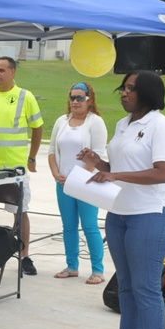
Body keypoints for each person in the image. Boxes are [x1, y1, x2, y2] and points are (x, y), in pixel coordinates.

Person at [81, 70, 165, 329]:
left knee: (145, 286)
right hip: (119, 212)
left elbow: (161, 172)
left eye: (131, 89)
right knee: (125, 284)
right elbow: (121, 167)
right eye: (123, 88)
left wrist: (115, 174)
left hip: (151, 214)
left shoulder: (161, 126)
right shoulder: (124, 124)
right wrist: (99, 164)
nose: (124, 93)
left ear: (147, 93)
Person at [0, 56, 43, 275]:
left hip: (14, 166)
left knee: (20, 211)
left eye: (2, 70)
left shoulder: (26, 97)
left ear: (13, 72)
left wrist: (32, 157)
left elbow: (37, 127)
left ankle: (24, 256)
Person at [47, 82, 108, 284]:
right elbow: (52, 151)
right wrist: (56, 173)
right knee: (69, 226)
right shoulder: (61, 121)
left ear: (89, 100)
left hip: (86, 182)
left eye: (80, 98)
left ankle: (98, 270)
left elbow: (97, 155)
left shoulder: (95, 122)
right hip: (63, 183)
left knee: (90, 225)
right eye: (72, 97)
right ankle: (72, 266)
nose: (75, 101)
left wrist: (78, 177)